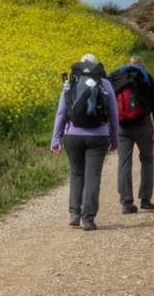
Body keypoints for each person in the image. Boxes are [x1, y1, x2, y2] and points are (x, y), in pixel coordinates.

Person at [51, 53, 120, 231]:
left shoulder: (70, 83)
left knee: (76, 173)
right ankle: (87, 219)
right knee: (93, 176)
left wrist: (56, 138)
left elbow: (61, 112)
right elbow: (113, 114)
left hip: (72, 135)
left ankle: (74, 213)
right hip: (98, 136)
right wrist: (115, 139)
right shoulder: (104, 83)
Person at [108, 56, 154, 213]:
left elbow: (110, 104)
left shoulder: (117, 77)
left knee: (124, 162)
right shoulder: (146, 77)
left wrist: (110, 127)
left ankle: (126, 202)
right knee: (147, 160)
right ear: (142, 66)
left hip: (122, 127)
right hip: (143, 125)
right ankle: (145, 199)